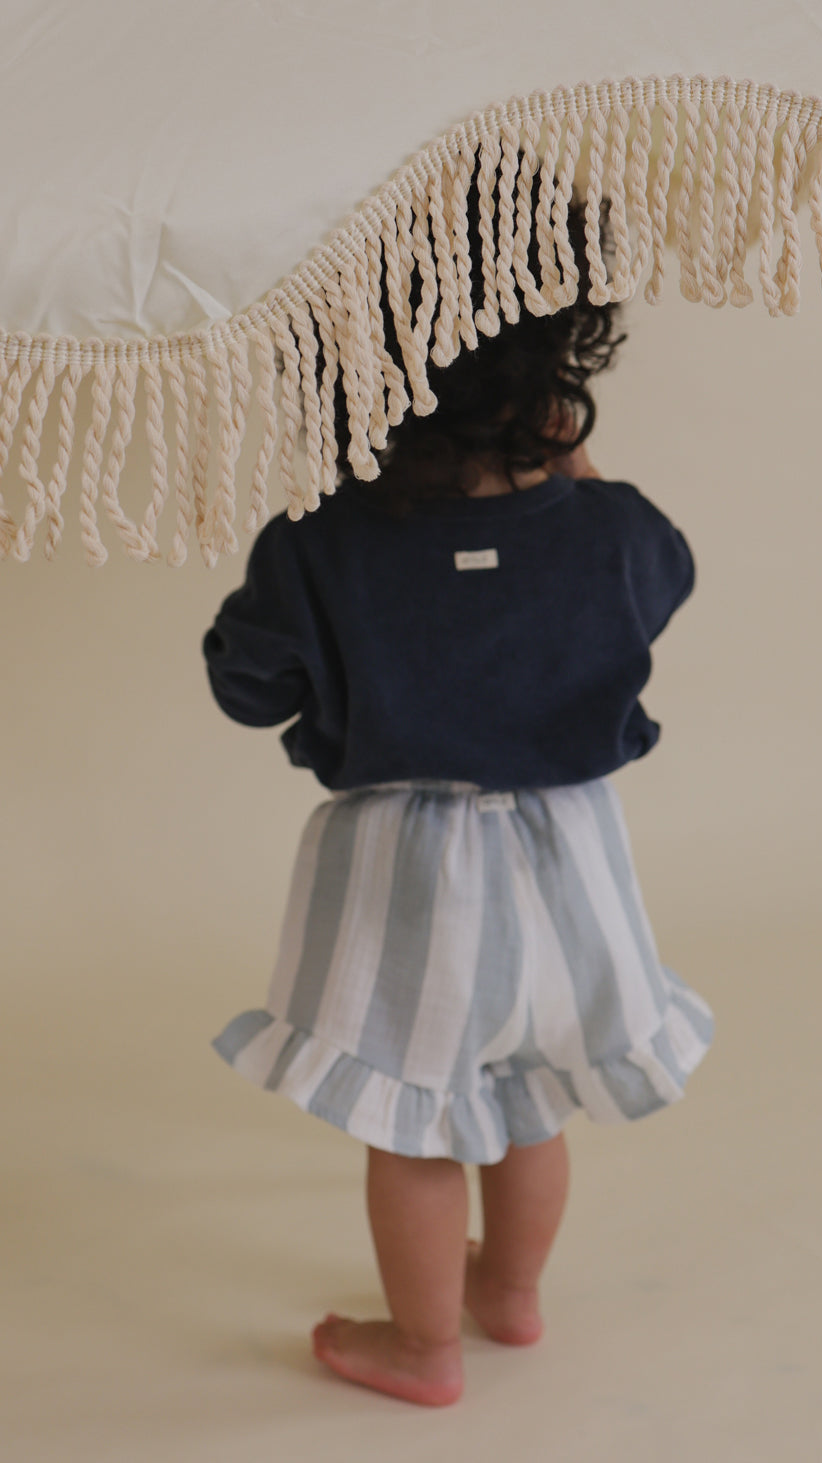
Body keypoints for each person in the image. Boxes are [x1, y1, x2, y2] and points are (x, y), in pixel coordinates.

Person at [202, 191, 713, 1406]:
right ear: (557, 371)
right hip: (565, 852)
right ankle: (511, 1296)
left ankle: (424, 1347)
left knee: (417, 1118)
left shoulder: (319, 543)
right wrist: (574, 474)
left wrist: (312, 511)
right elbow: (661, 582)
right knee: (533, 1092)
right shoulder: (613, 533)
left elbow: (245, 683)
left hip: (408, 865)